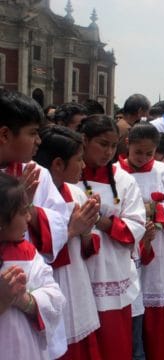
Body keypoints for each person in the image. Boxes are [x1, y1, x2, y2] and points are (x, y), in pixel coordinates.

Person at [0, 89, 70, 358]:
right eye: (31, 133)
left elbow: (60, 223)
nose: (38, 140)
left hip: (32, 284)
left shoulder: (37, 173)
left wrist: (30, 207)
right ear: (6, 134)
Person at [117, 123, 164, 360]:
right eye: (138, 152)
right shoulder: (114, 172)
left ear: (156, 150)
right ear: (128, 144)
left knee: (160, 328)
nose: (142, 158)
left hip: (161, 256)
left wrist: (156, 211)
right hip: (126, 253)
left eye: (148, 153)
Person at [78, 115, 146, 360]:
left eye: (113, 145)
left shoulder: (124, 180)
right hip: (79, 272)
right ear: (84, 140)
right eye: (102, 144)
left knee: (114, 345)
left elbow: (136, 225)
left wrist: (102, 222)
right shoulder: (69, 174)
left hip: (112, 273)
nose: (108, 151)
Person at [34, 126, 102, 359]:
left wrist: (86, 233)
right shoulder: (34, 198)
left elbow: (88, 247)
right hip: (51, 282)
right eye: (79, 160)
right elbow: (33, 249)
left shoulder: (77, 193)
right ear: (58, 165)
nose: (84, 166)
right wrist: (72, 230)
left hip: (77, 282)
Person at [0, 173, 66, 360]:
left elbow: (55, 297)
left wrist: (26, 301)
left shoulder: (27, 252)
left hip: (26, 349)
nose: (29, 218)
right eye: (22, 212)